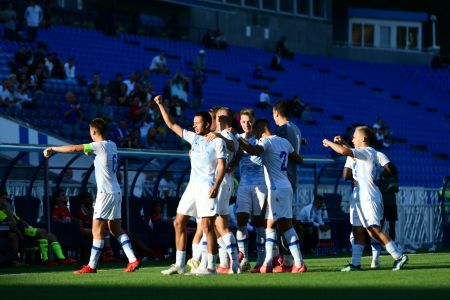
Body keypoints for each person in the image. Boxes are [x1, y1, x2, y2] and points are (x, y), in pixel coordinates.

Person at [43, 118, 141, 274]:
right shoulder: (112, 145)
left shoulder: (97, 146)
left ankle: (91, 266)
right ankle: (133, 259)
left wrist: (53, 148)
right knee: (115, 229)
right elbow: (94, 153)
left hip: (105, 193)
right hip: (116, 191)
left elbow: (75, 148)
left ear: (94, 131)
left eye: (90, 130)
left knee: (96, 230)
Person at [153, 95, 226, 276]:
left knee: (207, 226)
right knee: (178, 222)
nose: (194, 125)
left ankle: (210, 267)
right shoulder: (193, 138)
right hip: (192, 187)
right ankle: (180, 264)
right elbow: (171, 124)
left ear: (207, 124)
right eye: (193, 122)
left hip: (207, 187)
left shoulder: (217, 141)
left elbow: (222, 166)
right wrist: (161, 105)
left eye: (198, 123)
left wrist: (216, 185)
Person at [322, 126, 408, 271]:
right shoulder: (363, 153)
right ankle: (355, 264)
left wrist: (329, 143)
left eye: (355, 136)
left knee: (373, 230)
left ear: (363, 139)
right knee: (357, 231)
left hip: (368, 196)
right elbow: (350, 152)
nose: (353, 139)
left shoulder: (368, 152)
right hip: (358, 196)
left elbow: (344, 151)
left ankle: (399, 256)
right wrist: (343, 142)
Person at [237, 118, 307, 273]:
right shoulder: (284, 142)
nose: (256, 137)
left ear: (262, 129)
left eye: (256, 133)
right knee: (277, 224)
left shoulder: (266, 142)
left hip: (275, 188)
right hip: (286, 185)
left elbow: (254, 150)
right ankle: (271, 264)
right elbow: (299, 159)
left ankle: (295, 263)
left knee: (281, 226)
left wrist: (238, 138)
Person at [227, 108, 267, 272]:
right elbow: (235, 156)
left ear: (254, 121)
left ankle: (261, 258)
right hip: (244, 184)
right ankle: (243, 259)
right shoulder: (238, 139)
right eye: (243, 122)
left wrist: (236, 136)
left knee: (259, 223)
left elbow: (251, 151)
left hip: (261, 183)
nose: (246, 124)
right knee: (241, 220)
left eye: (249, 121)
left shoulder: (261, 139)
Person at [0, 189, 77, 266]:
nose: (5, 201)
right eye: (3, 199)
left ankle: (62, 259)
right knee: (43, 232)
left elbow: (20, 220)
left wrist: (30, 227)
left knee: (51, 236)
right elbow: (13, 223)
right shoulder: (2, 211)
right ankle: (45, 260)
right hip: (18, 230)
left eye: (6, 199)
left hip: (25, 229)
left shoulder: (7, 210)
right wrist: (7, 209)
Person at [206, 107, 240, 274]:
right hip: (224, 182)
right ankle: (225, 262)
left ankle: (234, 260)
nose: (212, 120)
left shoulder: (226, 134)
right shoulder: (222, 134)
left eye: (214, 117)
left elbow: (233, 147)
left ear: (220, 119)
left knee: (218, 223)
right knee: (219, 224)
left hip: (220, 182)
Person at [272, 100, 302, 272]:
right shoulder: (296, 128)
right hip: (292, 177)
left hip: (283, 177)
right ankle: (287, 259)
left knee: (282, 222)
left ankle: (288, 261)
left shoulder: (281, 130)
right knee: (283, 220)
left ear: (276, 112)